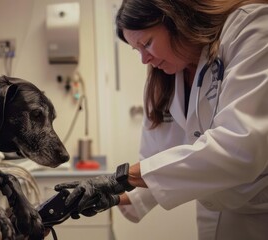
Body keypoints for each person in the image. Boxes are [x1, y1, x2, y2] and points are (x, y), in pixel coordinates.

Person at [54, 0, 268, 239]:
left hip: (260, 207)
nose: (145, 59)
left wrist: (120, 178)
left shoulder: (250, 27)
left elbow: (240, 148)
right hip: (214, 207)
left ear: (177, 18)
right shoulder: (167, 76)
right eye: (138, 50)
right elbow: (159, 158)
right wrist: (112, 196)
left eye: (147, 43)